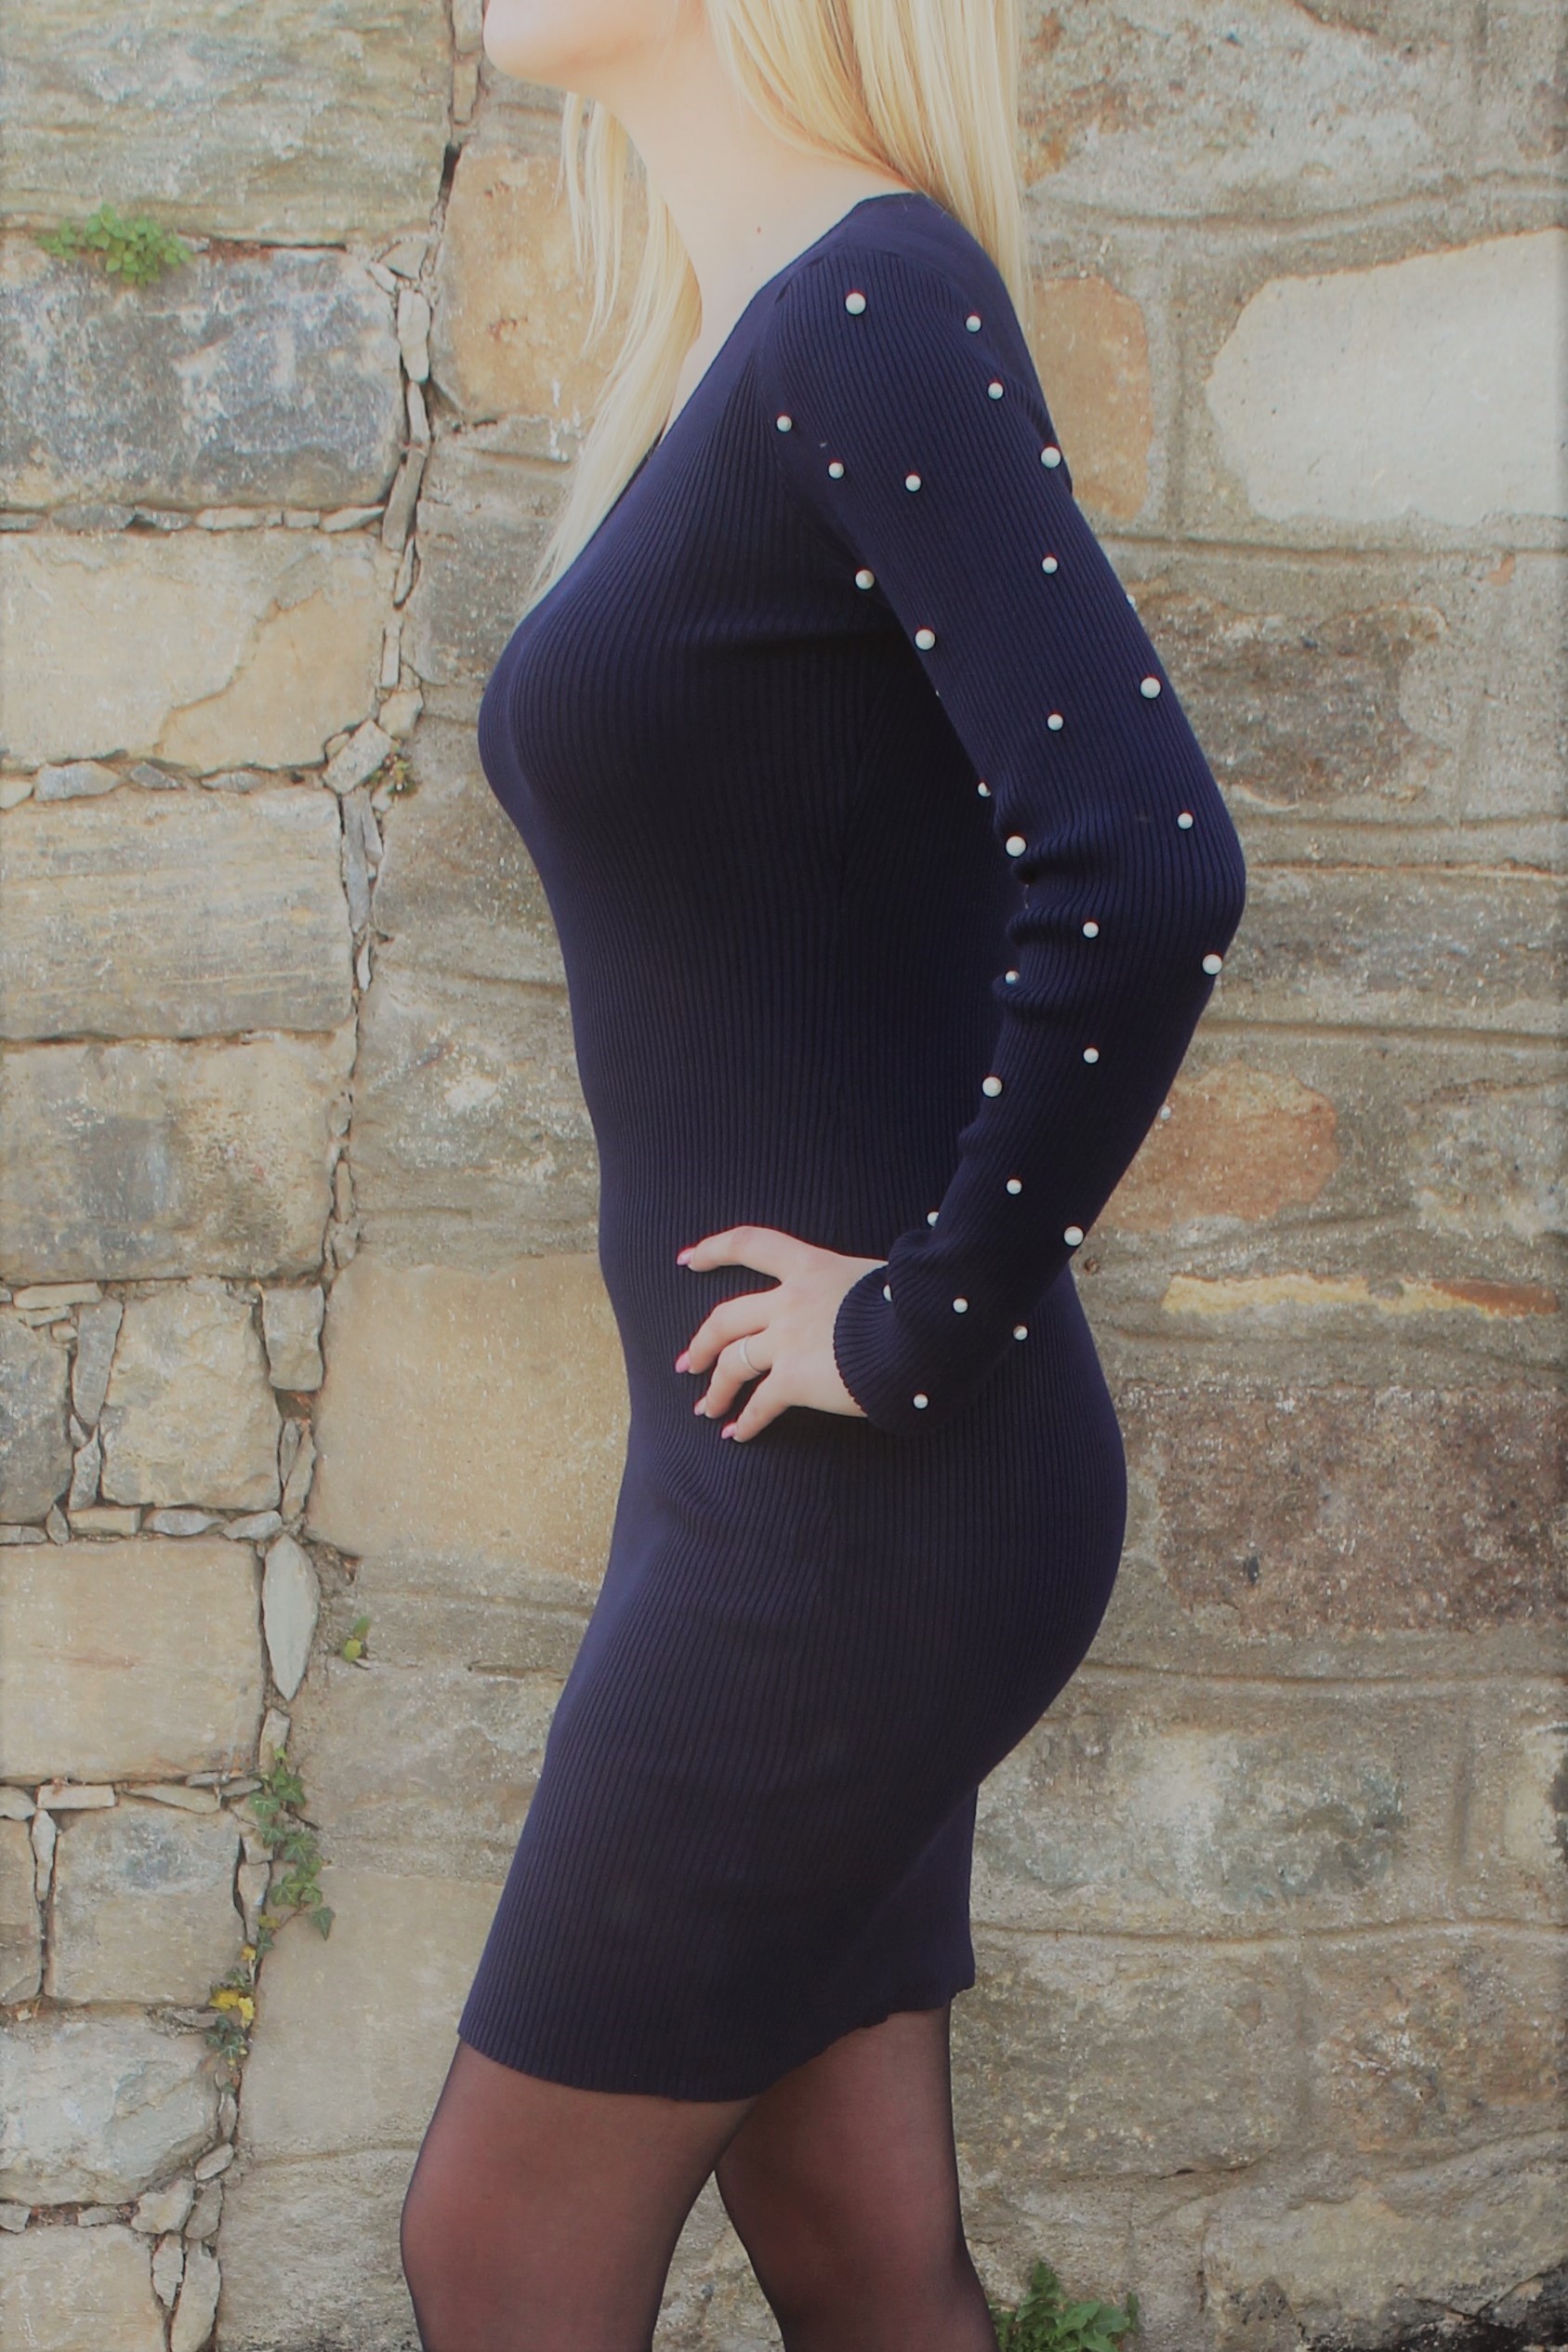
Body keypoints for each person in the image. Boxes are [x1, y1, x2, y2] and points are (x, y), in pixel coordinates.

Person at [399, 0, 1247, 2345]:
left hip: (853, 1514)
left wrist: (910, 1318)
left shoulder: (870, 299)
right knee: (860, 2241)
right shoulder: (763, 335)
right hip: (773, 1493)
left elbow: (1148, 858)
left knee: (496, 2242)